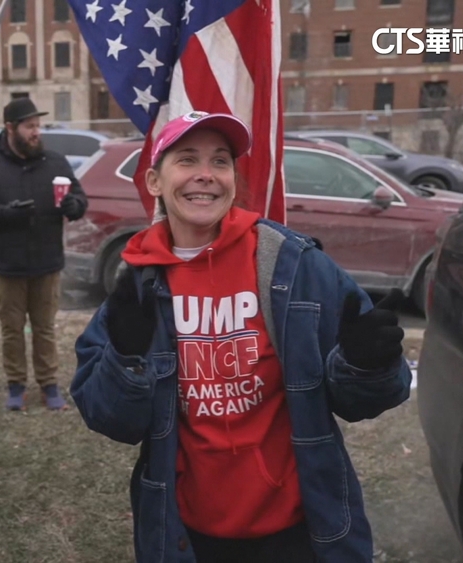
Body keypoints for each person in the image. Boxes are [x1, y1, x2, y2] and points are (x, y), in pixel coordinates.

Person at [70, 111, 412, 563]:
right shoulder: (137, 285)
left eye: (220, 161)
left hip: (300, 529)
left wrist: (367, 363)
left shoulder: (292, 264)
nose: (205, 176)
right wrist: (127, 361)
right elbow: (110, 420)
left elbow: (367, 399)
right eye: (187, 160)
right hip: (188, 534)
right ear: (154, 180)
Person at [0, 98, 88, 411]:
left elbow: (78, 195)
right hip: (7, 265)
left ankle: (49, 384)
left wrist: (75, 206)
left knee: (44, 327)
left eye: (38, 126)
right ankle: (16, 385)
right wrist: (2, 214)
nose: (36, 132)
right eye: (30, 126)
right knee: (11, 329)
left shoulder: (55, 162)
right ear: (10, 128)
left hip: (47, 262)